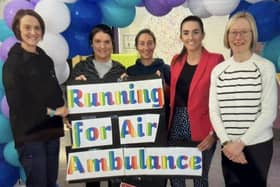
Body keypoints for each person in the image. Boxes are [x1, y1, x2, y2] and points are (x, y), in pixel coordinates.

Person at [209, 12, 277, 187]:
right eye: (233, 32)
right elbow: (214, 111)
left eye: (244, 32)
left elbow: (268, 113)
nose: (238, 37)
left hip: (257, 146)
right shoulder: (218, 70)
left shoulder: (265, 67)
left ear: (252, 34)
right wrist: (226, 143)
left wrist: (241, 143)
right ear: (227, 36)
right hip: (228, 146)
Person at [2, 9, 68, 187]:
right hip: (30, 134)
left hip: (51, 130)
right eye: (27, 27)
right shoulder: (13, 64)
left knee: (50, 180)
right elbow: (18, 104)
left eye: (37, 28)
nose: (33, 32)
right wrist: (55, 111)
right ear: (18, 30)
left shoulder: (44, 58)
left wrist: (64, 112)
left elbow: (53, 90)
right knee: (38, 182)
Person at [168, 15, 224, 187]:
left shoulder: (216, 60)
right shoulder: (176, 60)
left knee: (200, 177)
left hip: (203, 126)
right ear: (181, 36)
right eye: (186, 33)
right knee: (176, 175)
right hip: (176, 123)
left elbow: (221, 99)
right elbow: (172, 92)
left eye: (195, 32)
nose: (190, 37)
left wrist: (214, 133)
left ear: (202, 35)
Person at [68, 24, 126, 187]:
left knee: (115, 177)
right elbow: (69, 97)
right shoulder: (80, 68)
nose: (102, 46)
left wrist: (128, 83)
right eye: (98, 41)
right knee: (93, 178)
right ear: (91, 44)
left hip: (115, 131)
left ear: (112, 44)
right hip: (90, 133)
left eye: (107, 42)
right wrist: (73, 87)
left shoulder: (120, 70)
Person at [123, 28, 170, 187]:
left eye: (149, 43)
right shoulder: (130, 71)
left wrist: (163, 87)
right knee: (139, 168)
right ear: (136, 46)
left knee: (158, 168)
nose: (146, 47)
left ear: (154, 45)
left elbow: (174, 96)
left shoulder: (165, 69)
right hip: (137, 130)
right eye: (142, 44)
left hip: (159, 129)